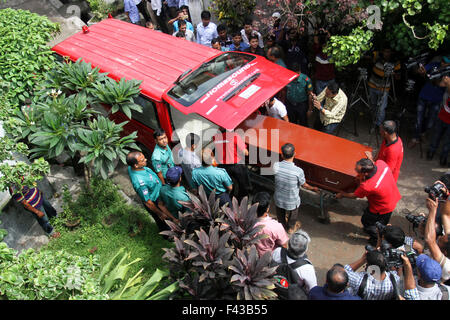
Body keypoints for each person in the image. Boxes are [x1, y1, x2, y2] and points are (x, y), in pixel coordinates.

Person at [336, 158, 401, 246]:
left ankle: (376, 239)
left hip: (382, 207)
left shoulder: (368, 186)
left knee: (367, 221)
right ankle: (380, 232)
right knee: (382, 222)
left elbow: (354, 196)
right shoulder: (381, 164)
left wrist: (342, 194)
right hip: (393, 197)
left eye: (357, 171)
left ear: (365, 173)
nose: (355, 171)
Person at [126, 151, 179, 233]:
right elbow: (148, 202)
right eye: (142, 160)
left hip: (159, 194)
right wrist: (160, 213)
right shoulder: (140, 183)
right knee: (163, 220)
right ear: (136, 165)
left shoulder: (132, 167)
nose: (146, 160)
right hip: (154, 202)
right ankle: (168, 235)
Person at [274, 143, 319, 231]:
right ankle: (290, 228)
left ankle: (282, 225)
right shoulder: (298, 171)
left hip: (278, 199)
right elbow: (304, 185)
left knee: (280, 214)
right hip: (292, 200)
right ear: (294, 154)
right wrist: (313, 188)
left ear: (282, 155)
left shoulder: (276, 166)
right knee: (293, 214)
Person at [408, 56, 448, 149]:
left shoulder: (448, 72)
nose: (442, 63)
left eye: (445, 62)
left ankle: (423, 133)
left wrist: (433, 78)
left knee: (430, 121)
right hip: (424, 96)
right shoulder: (434, 65)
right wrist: (422, 71)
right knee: (418, 119)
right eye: (442, 60)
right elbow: (421, 71)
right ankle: (415, 138)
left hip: (436, 100)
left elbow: (442, 84)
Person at [272, 229, 318, 294]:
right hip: (292, 295)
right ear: (305, 249)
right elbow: (312, 289)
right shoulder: (307, 268)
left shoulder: (278, 251)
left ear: (289, 244)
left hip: (275, 288)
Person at [367, 46, 401, 130]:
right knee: (373, 105)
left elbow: (398, 77)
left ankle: (379, 125)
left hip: (384, 88)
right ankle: (373, 122)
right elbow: (367, 56)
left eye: (388, 52)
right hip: (372, 85)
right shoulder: (377, 56)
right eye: (385, 51)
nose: (387, 54)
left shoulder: (395, 62)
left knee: (381, 108)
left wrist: (393, 73)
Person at [213, 129, 251, 201]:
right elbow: (246, 153)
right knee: (243, 185)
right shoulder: (234, 136)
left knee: (226, 185)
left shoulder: (215, 137)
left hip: (223, 166)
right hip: (236, 166)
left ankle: (227, 200)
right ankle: (241, 201)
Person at [253, 191, 289, 258]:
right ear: (267, 209)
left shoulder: (246, 221)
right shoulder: (276, 226)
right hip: (270, 257)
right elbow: (284, 245)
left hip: (252, 257)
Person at [424, 197, 450, 283]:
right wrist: (446, 197)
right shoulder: (448, 239)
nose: (439, 237)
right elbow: (446, 215)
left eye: (440, 241)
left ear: (445, 253)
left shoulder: (447, 265)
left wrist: (432, 211)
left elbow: (430, 240)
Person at [427, 72, 450, 166]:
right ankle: (431, 152)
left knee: (448, 141)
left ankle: (443, 157)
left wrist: (448, 84)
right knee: (436, 135)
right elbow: (440, 84)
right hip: (442, 116)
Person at [285, 62, 313, 127]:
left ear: (299, 72)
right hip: (290, 104)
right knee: (292, 123)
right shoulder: (287, 78)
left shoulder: (306, 80)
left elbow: (310, 95)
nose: (295, 76)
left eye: (296, 74)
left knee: (303, 123)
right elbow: (284, 91)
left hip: (301, 105)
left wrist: (310, 109)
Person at [312, 28, 335, 94]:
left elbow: (333, 43)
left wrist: (327, 34)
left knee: (330, 99)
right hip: (320, 79)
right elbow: (316, 42)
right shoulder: (317, 50)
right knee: (320, 99)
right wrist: (316, 33)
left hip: (330, 79)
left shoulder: (332, 50)